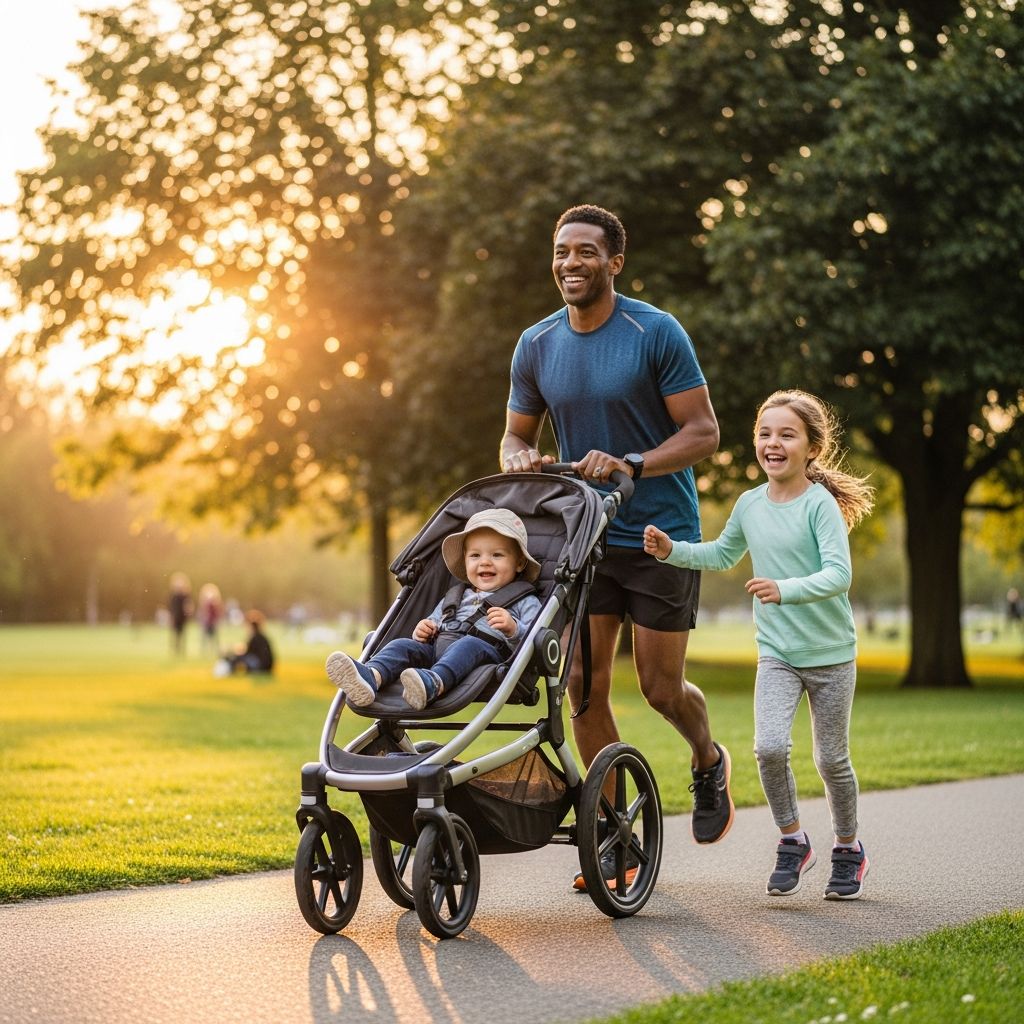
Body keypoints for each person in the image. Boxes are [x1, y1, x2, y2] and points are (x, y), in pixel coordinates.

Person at [501, 203, 734, 892]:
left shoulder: (654, 331)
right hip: (586, 535)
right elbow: (517, 435)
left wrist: (633, 462)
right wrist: (520, 457)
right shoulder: (536, 343)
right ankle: (615, 836)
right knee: (580, 685)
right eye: (561, 250)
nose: (570, 262)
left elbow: (703, 432)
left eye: (585, 252)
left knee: (661, 690)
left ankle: (706, 756)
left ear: (614, 262)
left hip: (660, 533)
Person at [643, 389, 875, 900]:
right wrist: (671, 551)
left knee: (831, 759)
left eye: (787, 435)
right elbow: (723, 555)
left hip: (832, 655)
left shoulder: (819, 506)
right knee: (769, 748)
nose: (774, 443)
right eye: (765, 434)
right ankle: (793, 840)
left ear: (812, 448)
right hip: (778, 653)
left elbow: (839, 575)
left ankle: (848, 848)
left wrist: (783, 590)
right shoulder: (750, 504)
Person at [326, 508, 542, 711]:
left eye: (497, 555)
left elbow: (536, 643)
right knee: (403, 645)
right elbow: (433, 624)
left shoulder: (525, 600)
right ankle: (371, 676)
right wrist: (423, 630)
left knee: (469, 644)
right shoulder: (455, 596)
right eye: (475, 556)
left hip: (486, 657)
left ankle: (434, 684)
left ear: (520, 563)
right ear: (465, 562)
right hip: (438, 651)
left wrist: (513, 630)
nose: (485, 562)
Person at [218, 610, 275, 675]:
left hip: (262, 666)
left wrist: (233, 652)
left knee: (239, 658)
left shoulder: (256, 637)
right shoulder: (262, 637)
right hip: (267, 667)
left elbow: (247, 652)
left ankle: (229, 670)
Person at [167, 572, 192, 656]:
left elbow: (188, 605)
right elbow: (171, 606)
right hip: (175, 617)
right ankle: (175, 650)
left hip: (182, 617)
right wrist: (171, 616)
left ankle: (181, 650)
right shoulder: (173, 595)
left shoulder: (185, 595)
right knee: (175, 634)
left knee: (182, 633)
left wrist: (188, 611)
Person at [197, 583, 224, 653]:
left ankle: (214, 650)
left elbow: (217, 614)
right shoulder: (205, 604)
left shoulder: (215, 604)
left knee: (214, 637)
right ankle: (204, 650)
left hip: (212, 623)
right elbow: (203, 614)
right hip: (207, 623)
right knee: (205, 637)